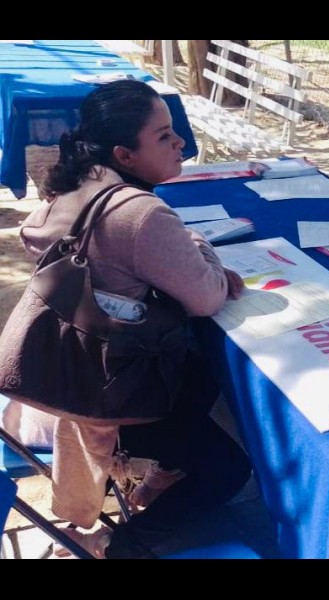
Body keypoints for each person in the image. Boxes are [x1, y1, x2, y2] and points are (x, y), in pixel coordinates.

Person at [15, 79, 252, 558]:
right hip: (104, 394)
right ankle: (113, 545)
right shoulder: (138, 212)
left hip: (60, 371)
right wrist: (197, 245)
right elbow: (208, 296)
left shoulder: (75, 186)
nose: (180, 141)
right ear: (124, 155)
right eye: (164, 135)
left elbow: (36, 236)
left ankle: (161, 472)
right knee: (228, 468)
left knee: (200, 372)